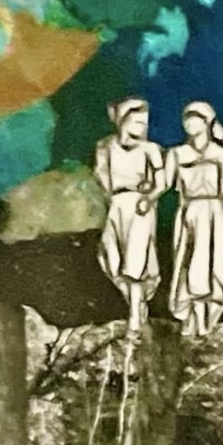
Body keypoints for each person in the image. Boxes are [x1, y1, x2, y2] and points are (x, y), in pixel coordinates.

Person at [166, 100, 223, 335]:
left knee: (218, 266)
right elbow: (164, 184)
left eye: (195, 118)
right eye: (187, 118)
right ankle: (194, 320)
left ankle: (207, 321)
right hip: (190, 215)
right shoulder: (176, 154)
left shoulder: (221, 153)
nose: (190, 123)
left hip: (216, 215)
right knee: (192, 265)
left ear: (207, 122)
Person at [93, 99, 171, 331]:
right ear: (122, 121)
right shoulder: (105, 146)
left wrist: (149, 198)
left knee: (136, 260)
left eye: (144, 123)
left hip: (141, 207)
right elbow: (102, 174)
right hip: (118, 205)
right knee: (110, 258)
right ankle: (136, 304)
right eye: (137, 122)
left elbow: (161, 182)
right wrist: (111, 196)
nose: (141, 127)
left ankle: (135, 317)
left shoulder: (151, 149)